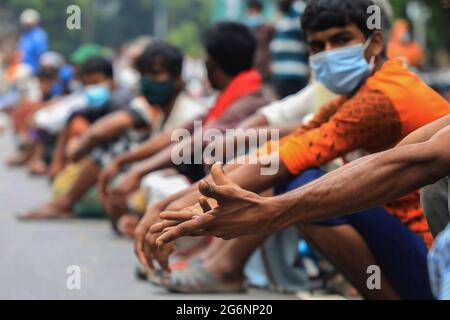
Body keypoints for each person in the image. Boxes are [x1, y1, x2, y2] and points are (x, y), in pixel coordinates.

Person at [139, 0, 450, 299]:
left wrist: (270, 212)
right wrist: (171, 206)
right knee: (289, 174)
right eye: (318, 47)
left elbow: (288, 158)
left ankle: (227, 267)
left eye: (341, 40)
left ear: (375, 43)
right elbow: (289, 143)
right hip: (417, 245)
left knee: (298, 180)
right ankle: (220, 263)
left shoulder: (382, 98)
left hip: (427, 253)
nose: (329, 54)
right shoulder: (363, 91)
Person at [99, 22, 269, 230]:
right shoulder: (228, 98)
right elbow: (179, 135)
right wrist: (127, 163)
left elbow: (196, 141)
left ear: (212, 64)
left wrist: (138, 172)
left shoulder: (247, 101)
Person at [19, 42, 202, 220]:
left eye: (155, 74)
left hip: (175, 179)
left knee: (119, 147)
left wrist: (123, 163)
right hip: (145, 173)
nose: (148, 81)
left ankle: (70, 202)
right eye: (144, 74)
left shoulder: (190, 111)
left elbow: (167, 142)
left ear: (177, 79)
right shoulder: (152, 107)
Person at [270, 0, 309, 98]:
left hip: (294, 73)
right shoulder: (286, 12)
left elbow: (307, 35)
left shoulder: (299, 10)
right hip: (282, 73)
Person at [244, 0, 275, 82]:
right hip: (250, 69)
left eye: (254, 11)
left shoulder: (268, 28)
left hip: (264, 69)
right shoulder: (245, 29)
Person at [18, 9, 48, 74]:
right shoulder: (24, 35)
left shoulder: (39, 34)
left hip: (33, 68)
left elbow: (40, 52)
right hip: (22, 65)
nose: (27, 25)